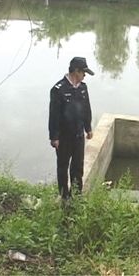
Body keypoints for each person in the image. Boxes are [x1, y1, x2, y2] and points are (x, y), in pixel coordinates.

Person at [49, 57, 95, 199]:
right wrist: (54, 137)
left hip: (78, 135)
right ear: (76, 71)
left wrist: (88, 128)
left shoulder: (83, 88)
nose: (85, 75)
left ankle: (77, 195)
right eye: (83, 72)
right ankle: (64, 196)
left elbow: (86, 109)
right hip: (64, 137)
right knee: (63, 167)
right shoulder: (58, 89)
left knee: (77, 168)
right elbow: (54, 115)